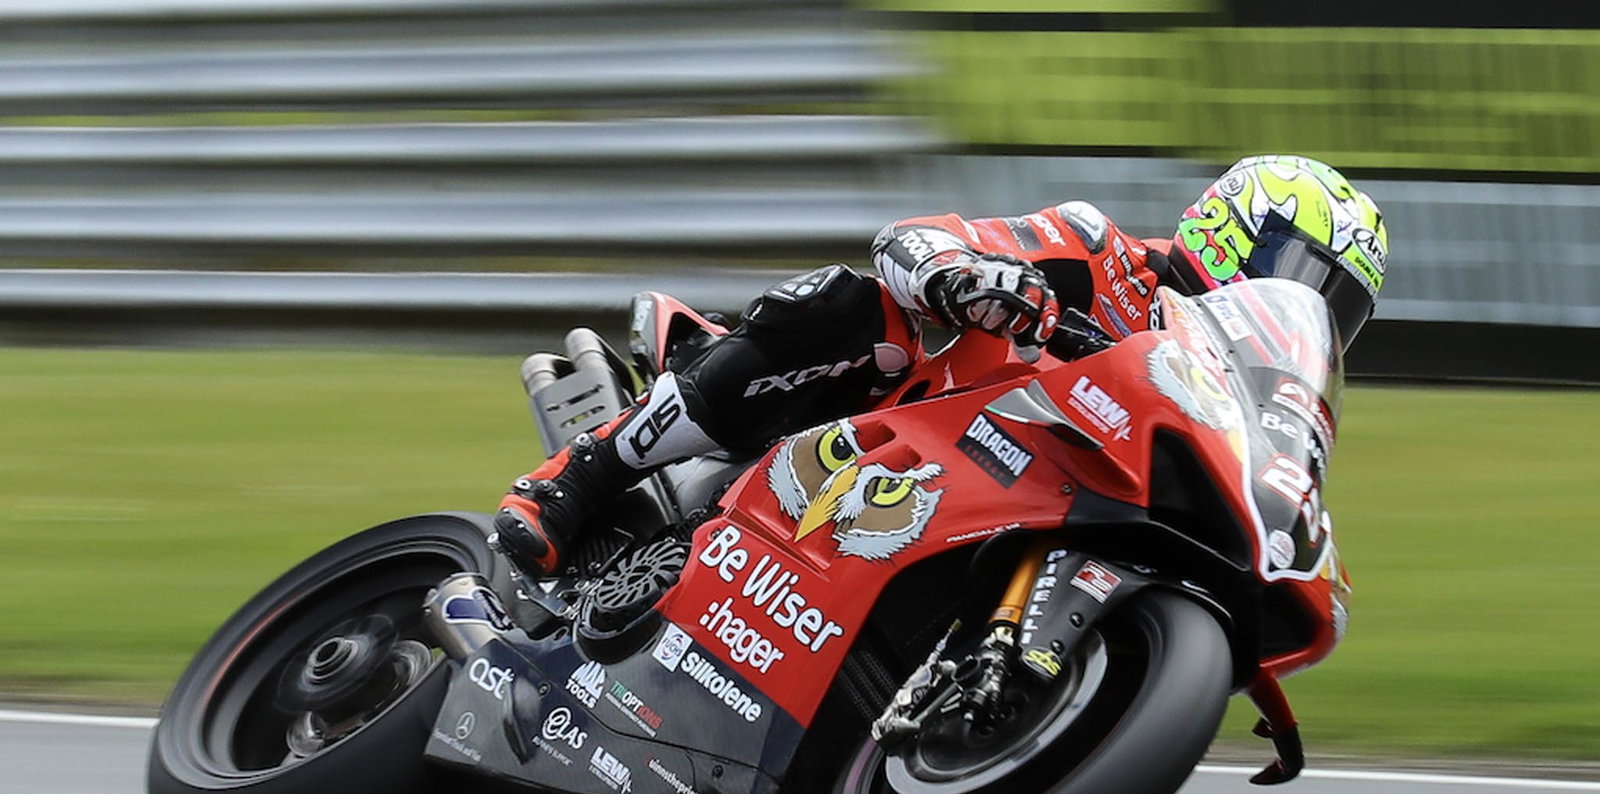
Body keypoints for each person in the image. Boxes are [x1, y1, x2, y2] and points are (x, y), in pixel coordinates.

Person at [493, 154, 1389, 579]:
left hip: (997, 508)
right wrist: (967, 278)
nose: (1305, 301)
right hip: (882, 430)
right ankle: (581, 473)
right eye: (1300, 271)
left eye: (1334, 303)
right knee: (867, 312)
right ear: (1231, 226)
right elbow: (911, 239)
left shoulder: (1229, 395)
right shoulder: (1099, 252)